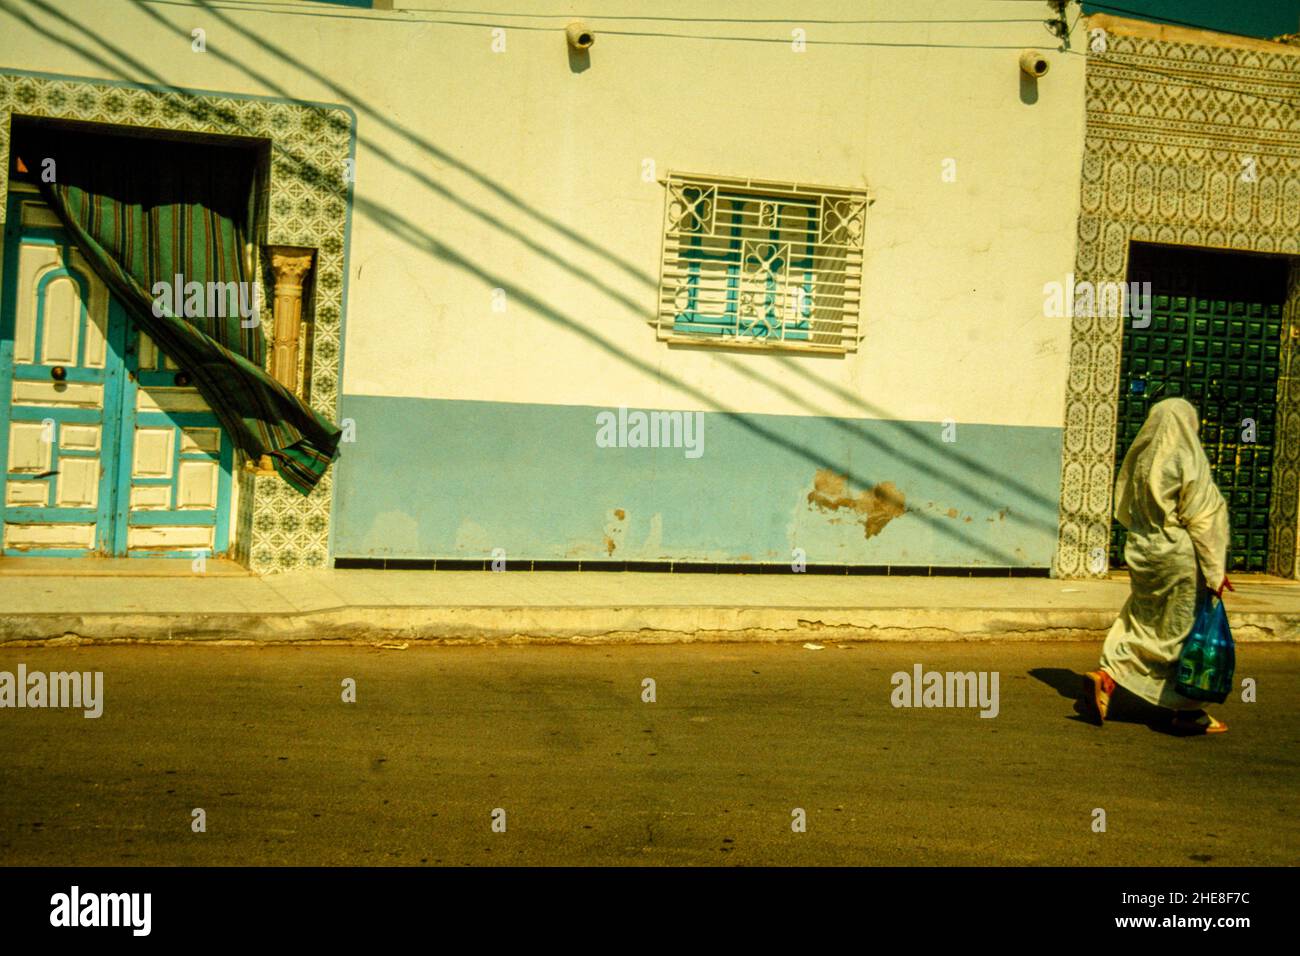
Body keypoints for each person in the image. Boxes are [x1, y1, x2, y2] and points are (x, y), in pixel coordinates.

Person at [1081, 397, 1233, 734]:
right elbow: (1203, 518)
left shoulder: (1142, 457)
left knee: (1140, 621)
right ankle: (1188, 713)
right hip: (1178, 554)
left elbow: (1124, 504)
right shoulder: (1187, 458)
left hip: (1143, 550)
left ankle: (1107, 676)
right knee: (1181, 631)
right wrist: (1214, 572)